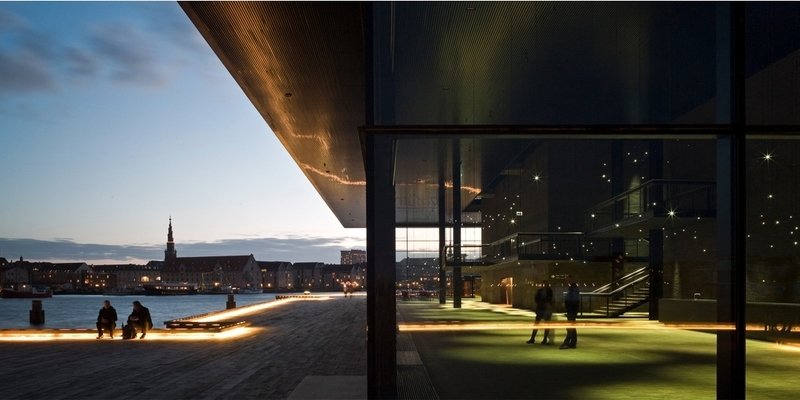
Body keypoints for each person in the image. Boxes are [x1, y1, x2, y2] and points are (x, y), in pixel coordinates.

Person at [526, 280, 554, 345]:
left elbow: (548, 299)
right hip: (542, 309)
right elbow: (536, 299)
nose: (544, 286)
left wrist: (542, 302)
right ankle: (534, 338)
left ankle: (542, 339)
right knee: (538, 324)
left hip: (545, 309)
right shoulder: (543, 291)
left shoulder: (548, 291)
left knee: (542, 324)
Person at [560, 282, 580, 349]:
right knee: (571, 327)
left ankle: (568, 342)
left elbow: (572, 301)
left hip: (571, 310)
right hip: (572, 310)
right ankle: (572, 342)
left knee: (570, 327)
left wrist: (566, 304)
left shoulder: (572, 291)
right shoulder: (574, 290)